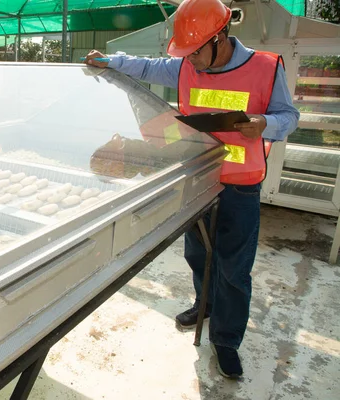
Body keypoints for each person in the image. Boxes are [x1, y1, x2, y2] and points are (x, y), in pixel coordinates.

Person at [84, 0, 299, 379]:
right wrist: (110, 61)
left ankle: (226, 340)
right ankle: (204, 305)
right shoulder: (186, 65)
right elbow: (148, 67)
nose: (190, 61)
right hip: (197, 180)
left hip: (239, 186)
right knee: (198, 254)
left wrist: (264, 123)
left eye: (195, 51)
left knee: (234, 268)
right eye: (184, 54)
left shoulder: (266, 67)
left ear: (219, 38)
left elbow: (289, 116)